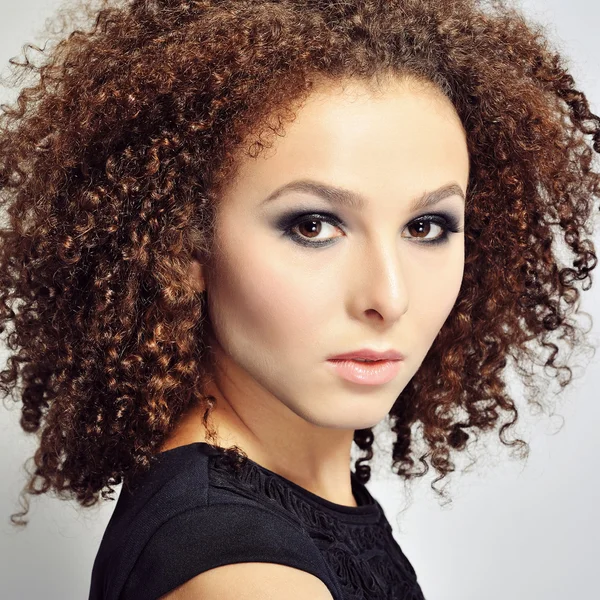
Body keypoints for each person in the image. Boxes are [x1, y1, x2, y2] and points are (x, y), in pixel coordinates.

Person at [0, 0, 598, 598]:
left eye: (426, 227)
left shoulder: (278, 494)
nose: (389, 298)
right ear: (182, 246)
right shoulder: (245, 576)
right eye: (313, 225)